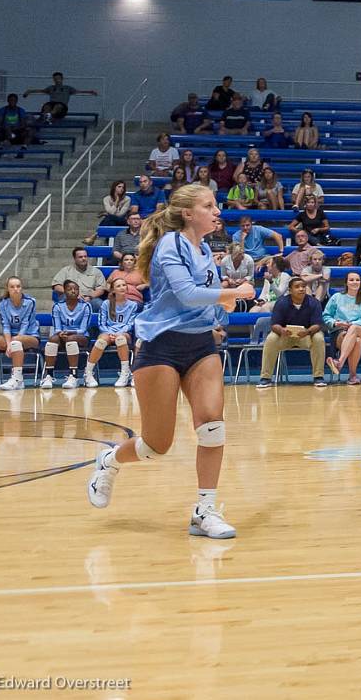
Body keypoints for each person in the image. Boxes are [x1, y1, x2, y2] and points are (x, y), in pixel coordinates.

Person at [84, 184, 255, 538]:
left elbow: (199, 298)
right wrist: (231, 294)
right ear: (188, 214)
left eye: (216, 204)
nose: (217, 210)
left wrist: (220, 304)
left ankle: (203, 511)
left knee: (213, 426)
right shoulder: (170, 245)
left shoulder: (205, 248)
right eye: (209, 205)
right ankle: (109, 461)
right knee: (155, 445)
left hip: (200, 346)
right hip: (160, 347)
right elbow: (187, 294)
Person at [258, 276, 328, 390]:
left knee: (319, 338)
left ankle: (318, 377)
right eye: (297, 287)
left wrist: (307, 331)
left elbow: (318, 324)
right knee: (271, 338)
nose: (301, 289)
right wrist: (282, 330)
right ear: (290, 290)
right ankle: (265, 378)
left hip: (306, 336)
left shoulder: (314, 302)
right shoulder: (281, 303)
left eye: (303, 286)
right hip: (286, 336)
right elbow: (274, 324)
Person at [0, 277, 40, 390]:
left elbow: (25, 324)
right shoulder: (2, 303)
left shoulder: (30, 302)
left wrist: (12, 342)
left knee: (16, 342)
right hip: (10, 336)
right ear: (7, 289)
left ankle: (17, 379)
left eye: (18, 286)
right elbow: (6, 325)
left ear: (21, 288)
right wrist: (8, 343)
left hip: (30, 336)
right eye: (12, 287)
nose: (16, 289)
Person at [324, 271, 361, 384]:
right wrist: (336, 323)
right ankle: (352, 376)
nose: (355, 282)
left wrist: (351, 324)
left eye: (357, 280)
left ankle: (340, 362)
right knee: (356, 341)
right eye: (351, 280)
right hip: (340, 332)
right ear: (346, 282)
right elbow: (326, 316)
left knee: (354, 328)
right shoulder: (336, 297)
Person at [89, 278, 139, 388]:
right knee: (101, 341)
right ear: (113, 290)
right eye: (119, 286)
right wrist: (110, 333)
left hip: (124, 333)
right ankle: (88, 373)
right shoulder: (106, 304)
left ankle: (124, 373)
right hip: (107, 332)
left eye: (124, 285)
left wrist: (119, 333)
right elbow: (101, 324)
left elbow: (130, 324)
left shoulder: (133, 305)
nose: (122, 287)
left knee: (121, 339)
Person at [44, 281, 94, 389]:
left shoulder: (86, 306)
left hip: (81, 336)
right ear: (64, 291)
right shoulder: (57, 306)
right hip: (63, 335)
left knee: (71, 339)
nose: (73, 291)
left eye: (75, 289)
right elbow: (57, 327)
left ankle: (74, 376)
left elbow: (83, 329)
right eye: (70, 289)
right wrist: (60, 333)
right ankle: (49, 375)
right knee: (52, 339)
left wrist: (71, 332)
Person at [24, 72, 95, 122]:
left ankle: (48, 117)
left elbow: (78, 92)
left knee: (58, 106)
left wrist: (90, 92)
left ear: (62, 78)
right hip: (52, 104)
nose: (57, 80)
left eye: (58, 78)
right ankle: (46, 117)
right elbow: (41, 91)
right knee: (47, 106)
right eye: (55, 78)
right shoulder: (51, 88)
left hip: (62, 106)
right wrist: (29, 91)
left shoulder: (67, 88)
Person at [86, 180, 131, 245]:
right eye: (119, 187)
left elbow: (121, 214)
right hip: (113, 221)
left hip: (123, 221)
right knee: (110, 221)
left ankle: (95, 235)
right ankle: (109, 242)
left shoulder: (127, 199)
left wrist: (107, 214)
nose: (121, 189)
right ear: (114, 188)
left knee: (109, 217)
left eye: (123, 187)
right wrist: (116, 201)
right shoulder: (106, 199)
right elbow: (111, 213)